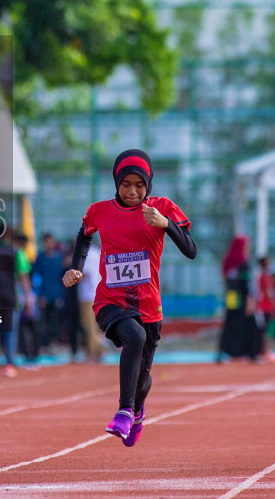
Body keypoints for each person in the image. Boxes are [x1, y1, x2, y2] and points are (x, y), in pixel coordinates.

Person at [63, 149, 196, 447]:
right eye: (126, 184)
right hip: (110, 301)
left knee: (143, 379)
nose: (133, 191)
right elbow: (84, 234)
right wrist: (76, 267)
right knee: (133, 336)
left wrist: (165, 224)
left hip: (150, 305)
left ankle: (136, 411)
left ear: (148, 184)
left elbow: (191, 249)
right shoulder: (100, 211)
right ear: (116, 182)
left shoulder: (162, 208)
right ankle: (124, 411)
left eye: (139, 185)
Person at [0, 228, 31, 377]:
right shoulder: (17, 252)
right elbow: (23, 277)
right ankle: (9, 362)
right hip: (10, 294)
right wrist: (28, 298)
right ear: (9, 236)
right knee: (10, 330)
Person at [217, 236, 262, 362]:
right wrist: (250, 301)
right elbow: (247, 284)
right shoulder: (244, 263)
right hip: (243, 297)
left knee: (230, 324)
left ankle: (224, 352)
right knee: (250, 324)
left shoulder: (227, 262)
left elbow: (226, 280)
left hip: (231, 297)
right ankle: (252, 353)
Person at [32, 233, 66, 351]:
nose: (49, 244)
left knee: (55, 321)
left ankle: (54, 343)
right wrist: (40, 294)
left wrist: (61, 294)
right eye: (46, 242)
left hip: (56, 294)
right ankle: (43, 345)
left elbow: (62, 277)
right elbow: (36, 277)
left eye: (51, 241)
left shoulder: (58, 258)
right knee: (43, 322)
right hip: (44, 295)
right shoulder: (40, 258)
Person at [75, 239, 103, 364]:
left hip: (88, 295)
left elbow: (84, 273)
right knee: (93, 325)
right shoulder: (97, 252)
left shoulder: (88, 254)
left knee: (89, 325)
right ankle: (96, 350)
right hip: (94, 293)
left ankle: (93, 352)